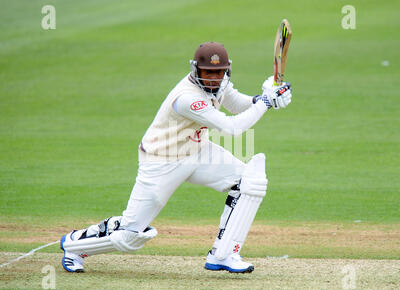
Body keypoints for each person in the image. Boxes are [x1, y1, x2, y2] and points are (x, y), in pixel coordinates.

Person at [60, 42, 292, 273]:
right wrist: (265, 102)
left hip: (197, 151)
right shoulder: (187, 98)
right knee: (130, 236)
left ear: (227, 70)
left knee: (249, 182)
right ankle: (75, 245)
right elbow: (231, 128)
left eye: (219, 72)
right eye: (207, 72)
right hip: (162, 161)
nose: (213, 78)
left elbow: (237, 104)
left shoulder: (221, 84)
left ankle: (223, 254)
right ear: (195, 70)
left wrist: (262, 97)